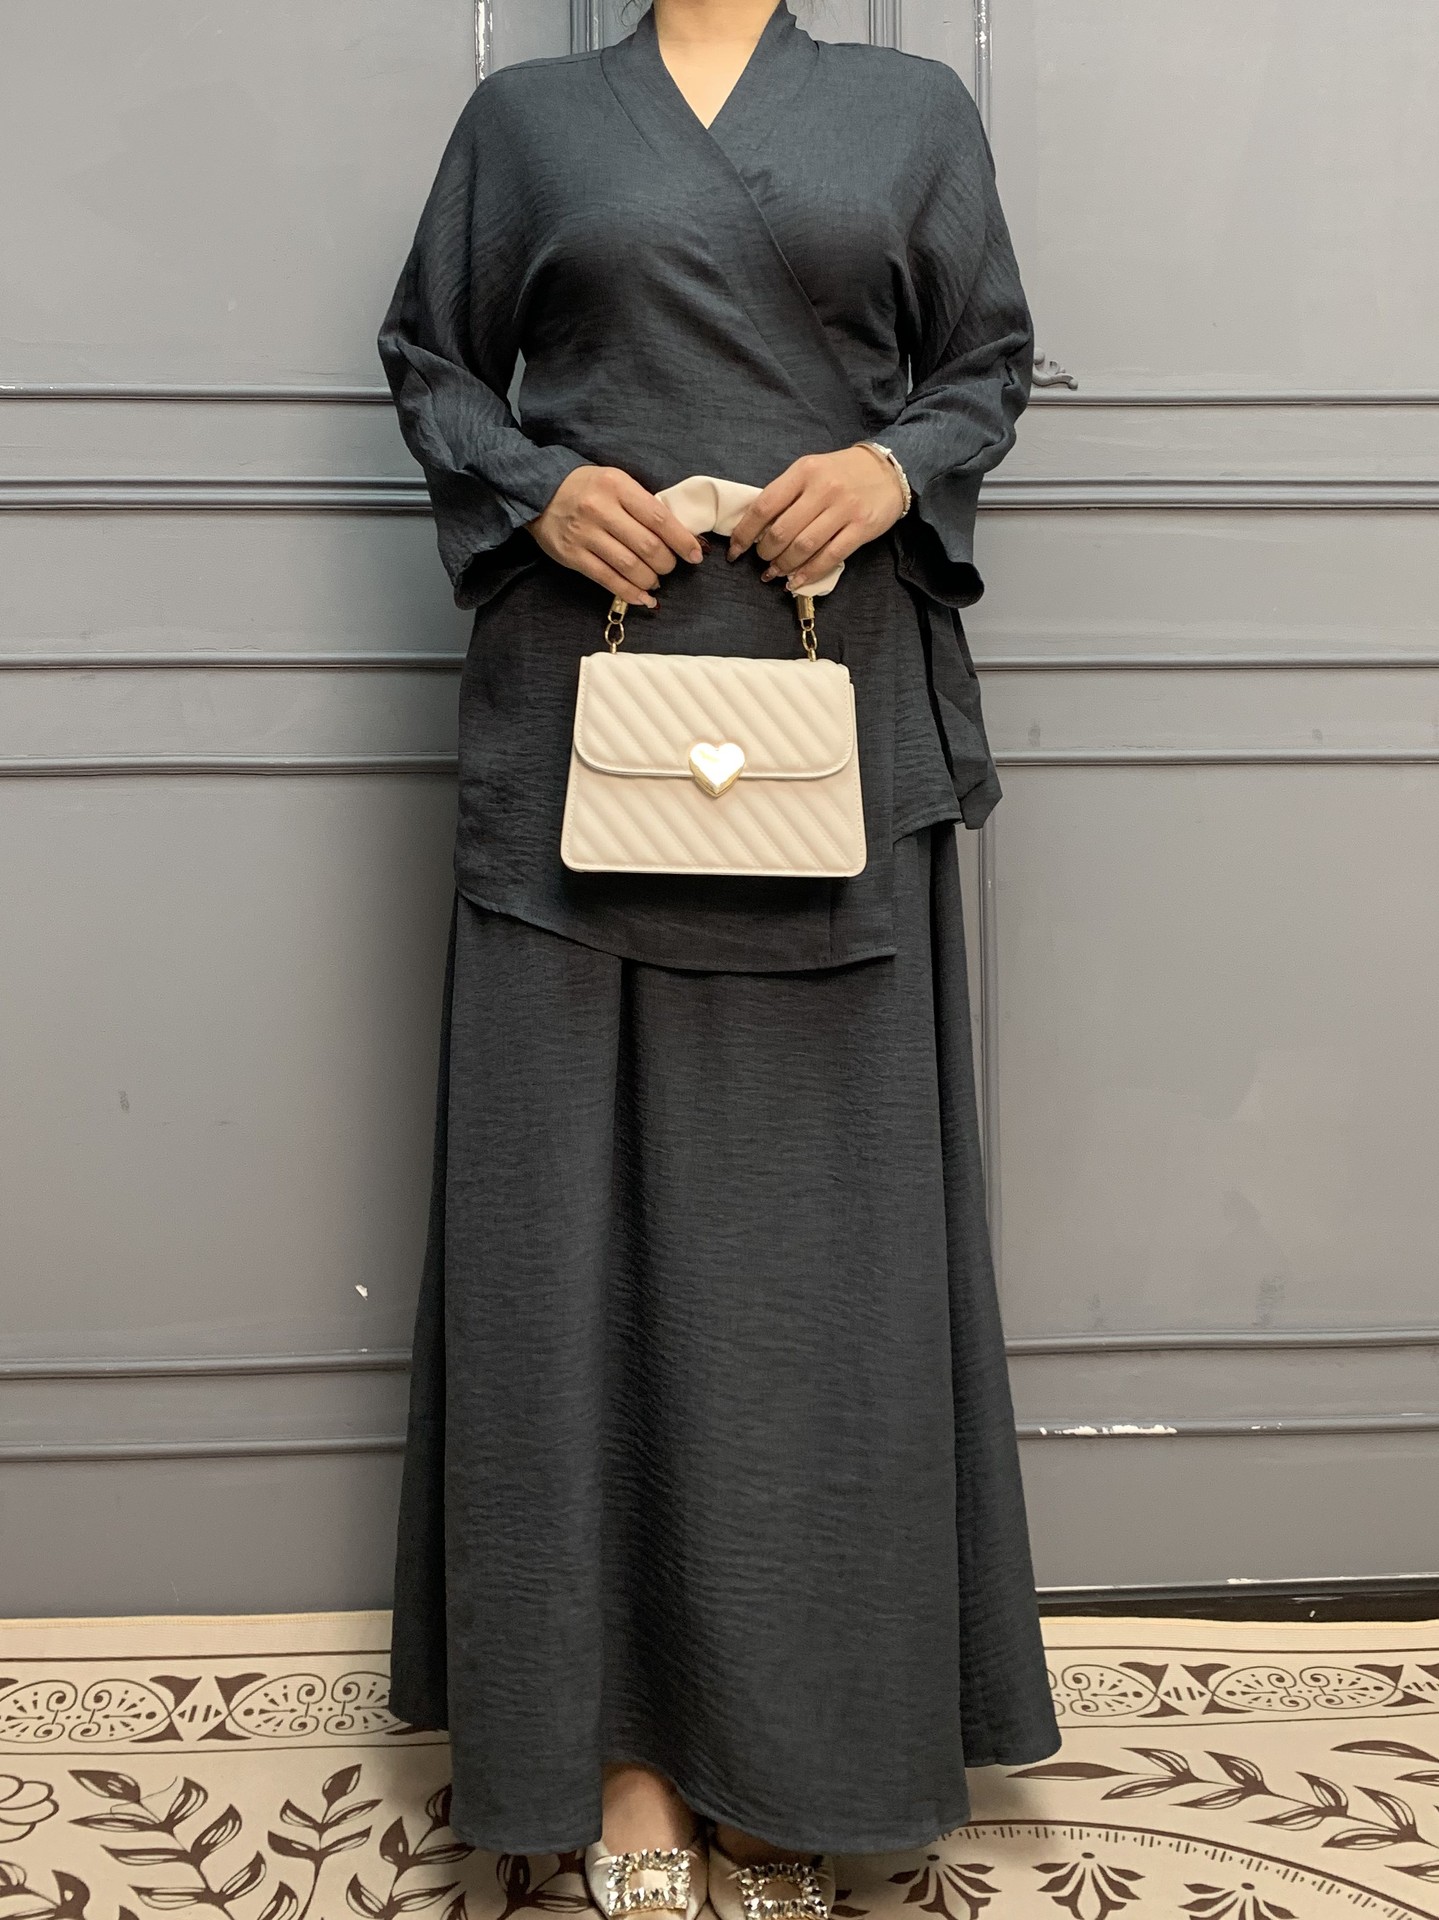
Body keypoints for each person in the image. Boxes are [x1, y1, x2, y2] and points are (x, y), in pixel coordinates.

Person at [377, 2, 1061, 1914]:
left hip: (829, 717)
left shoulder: (912, 111)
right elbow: (429, 360)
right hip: (578, 723)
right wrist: (538, 488)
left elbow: (989, 367)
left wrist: (896, 469)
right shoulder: (526, 118)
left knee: (821, 1279)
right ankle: (608, 1759)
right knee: (561, 1254)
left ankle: (805, 1750)